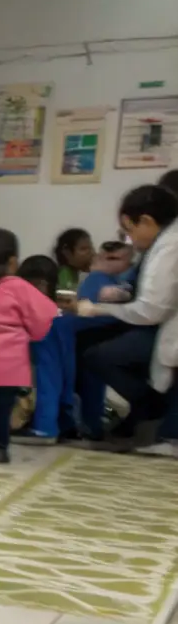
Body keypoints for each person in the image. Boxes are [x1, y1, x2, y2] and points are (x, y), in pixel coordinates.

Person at [75, 185, 178, 457]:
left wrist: (99, 310)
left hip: (161, 326)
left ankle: (152, 409)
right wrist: (122, 293)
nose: (130, 240)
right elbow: (147, 290)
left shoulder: (169, 247)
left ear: (146, 221)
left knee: (102, 354)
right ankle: (147, 412)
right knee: (96, 347)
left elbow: (151, 310)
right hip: (158, 324)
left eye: (130, 230)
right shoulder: (162, 244)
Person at [0, 229, 59, 463]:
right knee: (4, 410)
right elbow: (44, 318)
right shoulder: (19, 287)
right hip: (10, 365)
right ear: (13, 262)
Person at [54, 228, 95, 295]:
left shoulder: (77, 272)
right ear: (67, 253)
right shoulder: (64, 273)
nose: (91, 253)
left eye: (91, 248)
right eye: (83, 249)